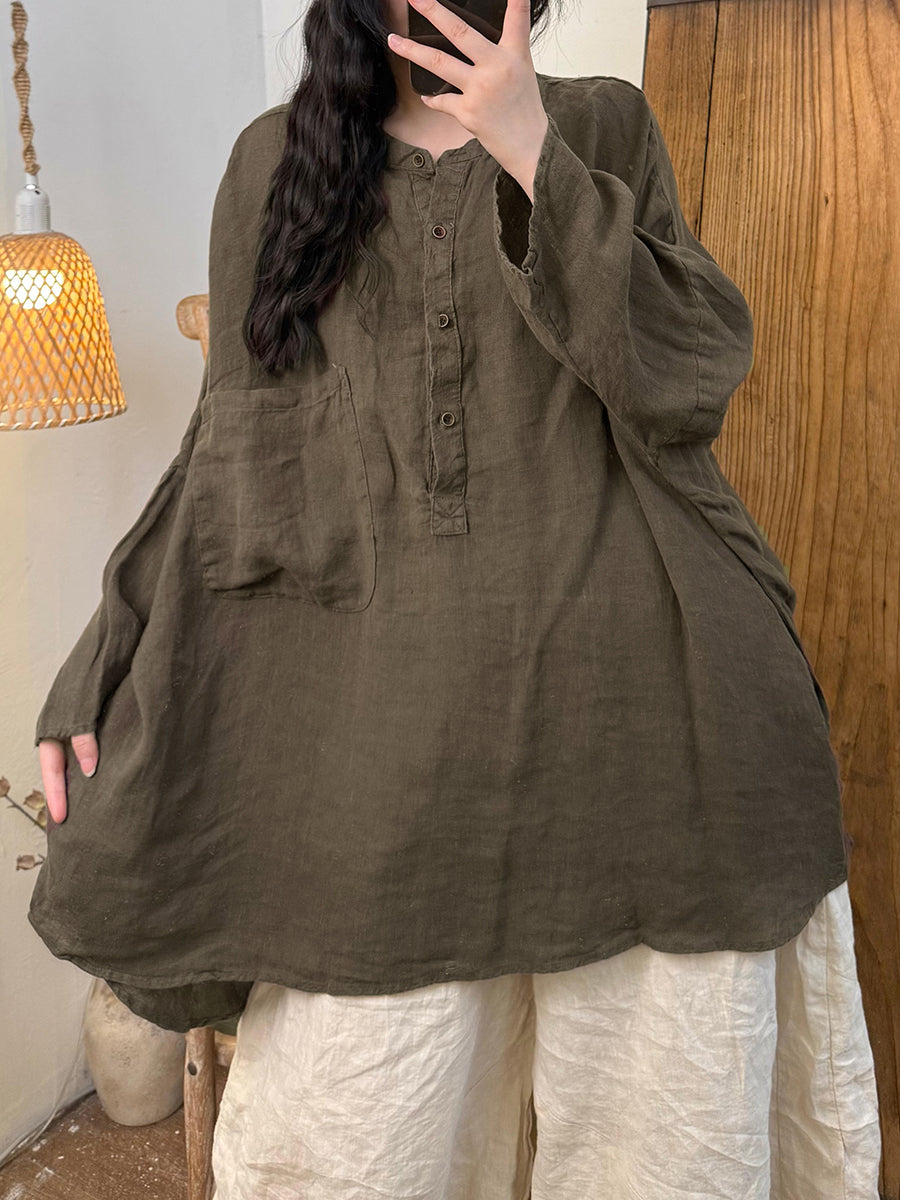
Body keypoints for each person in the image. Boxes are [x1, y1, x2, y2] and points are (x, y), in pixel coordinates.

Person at [33, 0, 882, 1195]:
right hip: (379, 778)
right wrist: (111, 651)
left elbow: (687, 377)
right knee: (352, 1148)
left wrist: (531, 146)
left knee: (660, 1155)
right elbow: (229, 450)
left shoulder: (604, 123)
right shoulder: (274, 165)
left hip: (650, 738)